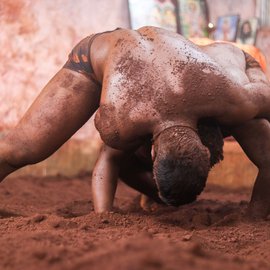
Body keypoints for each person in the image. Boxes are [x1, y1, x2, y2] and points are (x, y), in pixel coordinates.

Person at [0, 27, 270, 218]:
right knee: (24, 148)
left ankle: (163, 196)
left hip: (175, 62)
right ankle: (163, 195)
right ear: (152, 152)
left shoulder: (233, 99)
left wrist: (255, 215)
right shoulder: (121, 122)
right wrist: (103, 217)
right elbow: (108, 160)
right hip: (99, 56)